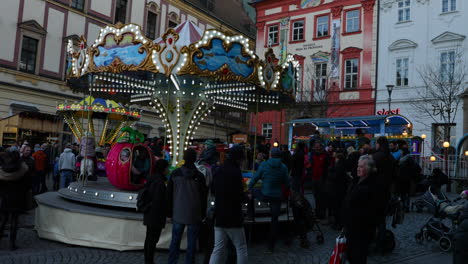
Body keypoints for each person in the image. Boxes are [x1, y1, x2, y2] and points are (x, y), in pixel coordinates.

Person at [167, 148, 208, 264]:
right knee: (191, 243)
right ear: (195, 159)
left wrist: (169, 213)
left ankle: (172, 262)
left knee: (175, 241)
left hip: (178, 212)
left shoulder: (175, 173)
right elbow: (203, 198)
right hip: (194, 214)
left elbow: (169, 195)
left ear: (184, 158)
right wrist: (203, 214)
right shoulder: (199, 176)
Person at [209, 146, 248, 264]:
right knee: (241, 247)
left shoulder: (219, 169)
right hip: (233, 215)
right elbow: (239, 194)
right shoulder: (236, 172)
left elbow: (213, 189)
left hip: (219, 213)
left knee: (218, 248)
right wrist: (246, 197)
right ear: (239, 158)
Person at [248, 148, 289, 252]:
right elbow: (287, 183)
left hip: (265, 195)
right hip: (277, 196)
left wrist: (249, 188)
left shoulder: (264, 164)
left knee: (253, 191)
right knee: (274, 219)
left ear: (270, 155)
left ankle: (250, 214)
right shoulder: (283, 167)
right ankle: (271, 245)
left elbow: (255, 178)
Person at [343, 155, 378, 264]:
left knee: (358, 256)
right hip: (352, 226)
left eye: (362, 167)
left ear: (368, 169)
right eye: (358, 166)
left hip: (361, 228)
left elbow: (369, 210)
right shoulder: (357, 181)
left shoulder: (370, 185)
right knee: (350, 255)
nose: (358, 168)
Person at [0, 151, 30, 250]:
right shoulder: (23, 169)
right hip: (18, 198)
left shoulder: (2, 169)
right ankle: (12, 244)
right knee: (14, 220)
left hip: (5, 198)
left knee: (3, 219)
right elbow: (27, 185)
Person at [372, 136, 396, 255]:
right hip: (386, 190)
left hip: (375, 190)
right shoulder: (390, 157)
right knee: (382, 219)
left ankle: (376, 242)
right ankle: (381, 242)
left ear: (379, 144)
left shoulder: (377, 157)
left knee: (374, 218)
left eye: (376, 143)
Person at [143, 159, 169, 264]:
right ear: (163, 169)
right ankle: (149, 261)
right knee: (152, 239)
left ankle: (148, 260)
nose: (168, 170)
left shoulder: (152, 179)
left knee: (149, 238)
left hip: (150, 213)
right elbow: (158, 200)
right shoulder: (159, 182)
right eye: (167, 168)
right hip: (155, 215)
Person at [309, 142, 328, 219]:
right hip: (314, 177)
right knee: (316, 196)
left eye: (318, 146)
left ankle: (322, 214)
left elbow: (327, 166)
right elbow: (311, 165)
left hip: (321, 178)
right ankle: (317, 213)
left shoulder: (325, 155)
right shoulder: (313, 155)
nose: (317, 148)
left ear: (321, 147)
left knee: (321, 196)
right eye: (315, 146)